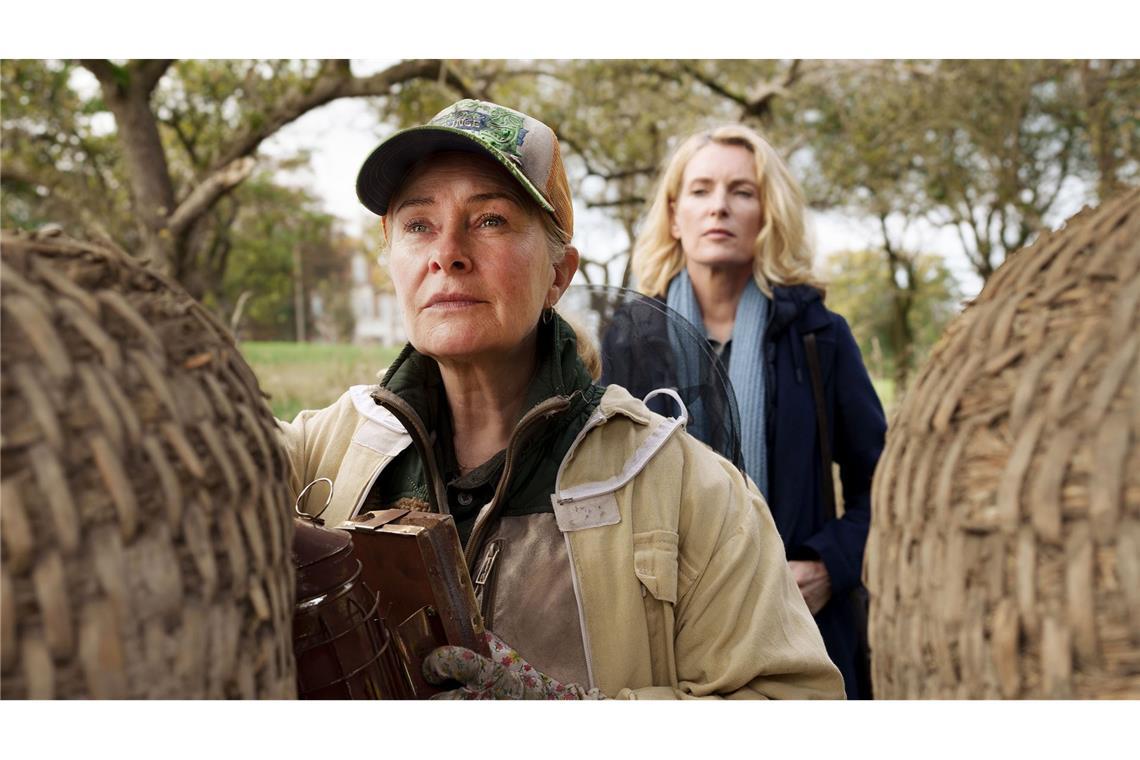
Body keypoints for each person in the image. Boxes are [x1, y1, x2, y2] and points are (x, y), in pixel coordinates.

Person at [279, 99, 844, 699]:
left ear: (559, 274)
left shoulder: (691, 491)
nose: (447, 252)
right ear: (391, 262)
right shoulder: (319, 449)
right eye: (418, 225)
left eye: (490, 219)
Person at [608, 124, 887, 699]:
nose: (719, 208)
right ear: (675, 213)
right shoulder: (630, 338)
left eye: (742, 191)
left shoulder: (820, 336)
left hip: (799, 627)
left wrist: (829, 566)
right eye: (702, 190)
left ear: (768, 213)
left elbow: (884, 485)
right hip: (665, 633)